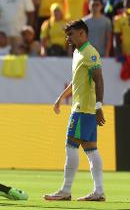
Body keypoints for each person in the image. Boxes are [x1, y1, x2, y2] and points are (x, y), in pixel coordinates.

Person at [44, 20, 106, 201]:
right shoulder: (78, 53)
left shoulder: (90, 53)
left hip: (83, 109)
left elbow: (99, 80)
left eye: (71, 34)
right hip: (83, 108)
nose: (67, 38)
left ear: (82, 33)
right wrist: (60, 98)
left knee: (70, 146)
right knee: (91, 150)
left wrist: (99, 107)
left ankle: (65, 190)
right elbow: (75, 81)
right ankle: (99, 191)